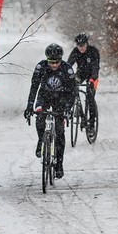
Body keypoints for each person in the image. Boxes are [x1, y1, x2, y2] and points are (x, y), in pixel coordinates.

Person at [24, 43, 77, 179]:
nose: (54, 65)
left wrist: (67, 109)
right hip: (45, 97)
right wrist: (30, 105)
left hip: (62, 98)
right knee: (40, 118)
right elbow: (34, 87)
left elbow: (73, 92)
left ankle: (59, 164)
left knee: (59, 131)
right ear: (47, 60)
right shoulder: (41, 67)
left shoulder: (67, 69)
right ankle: (41, 140)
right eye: (51, 62)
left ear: (61, 60)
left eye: (57, 62)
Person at [67, 32, 101, 128]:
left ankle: (92, 121)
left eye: (83, 45)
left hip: (92, 75)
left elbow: (95, 67)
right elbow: (68, 65)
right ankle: (81, 114)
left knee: (90, 96)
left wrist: (92, 79)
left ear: (87, 44)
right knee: (73, 87)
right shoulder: (75, 52)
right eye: (79, 46)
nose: (81, 48)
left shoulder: (93, 51)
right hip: (81, 73)